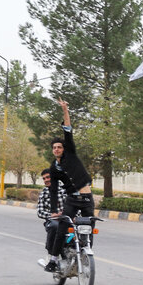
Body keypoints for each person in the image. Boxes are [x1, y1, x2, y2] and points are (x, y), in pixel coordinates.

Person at [44, 98, 94, 272]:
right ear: (52, 150)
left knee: (88, 228)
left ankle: (86, 256)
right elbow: (53, 189)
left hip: (87, 198)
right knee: (62, 227)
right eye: (54, 148)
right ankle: (53, 259)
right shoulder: (54, 167)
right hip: (71, 201)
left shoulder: (70, 153)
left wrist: (65, 109)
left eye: (59, 147)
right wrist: (53, 210)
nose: (57, 149)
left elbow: (68, 129)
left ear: (64, 148)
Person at [36, 168, 67, 265]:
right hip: (53, 220)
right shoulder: (44, 193)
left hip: (68, 219)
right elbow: (40, 212)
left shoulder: (66, 189)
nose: (46, 180)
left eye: (48, 177)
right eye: (44, 178)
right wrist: (52, 215)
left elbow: (76, 205)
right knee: (54, 226)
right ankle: (50, 255)